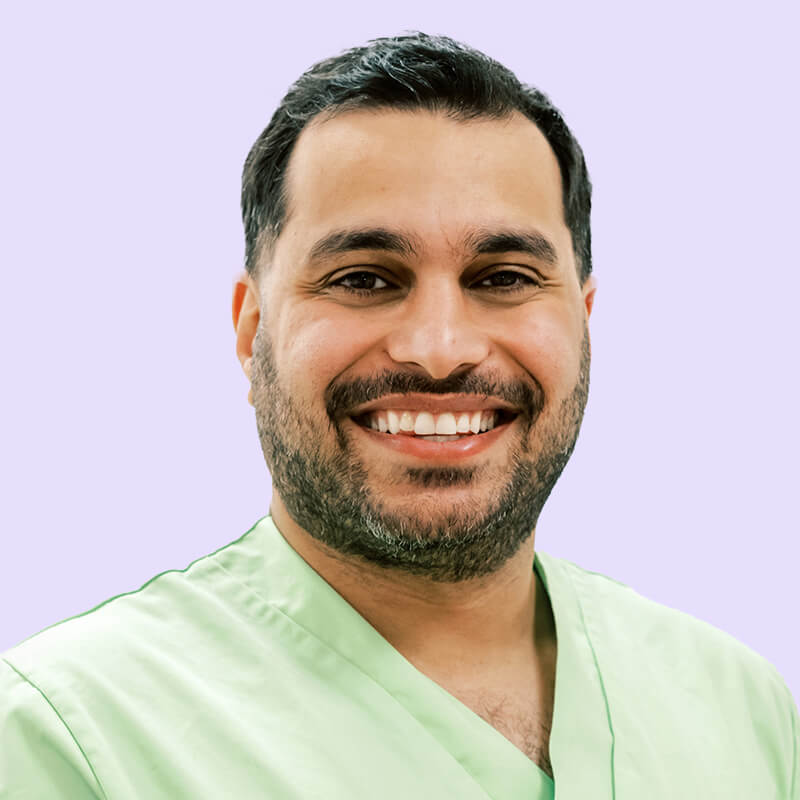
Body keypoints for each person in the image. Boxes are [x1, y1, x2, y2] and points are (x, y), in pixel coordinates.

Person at [1, 32, 797, 799]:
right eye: (364, 279)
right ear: (252, 332)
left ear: (582, 323)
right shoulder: (68, 739)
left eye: (504, 278)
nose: (440, 350)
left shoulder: (742, 709)